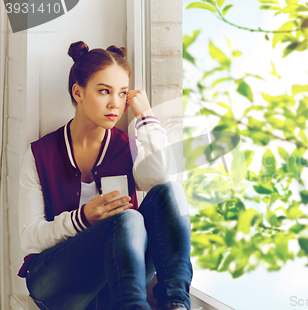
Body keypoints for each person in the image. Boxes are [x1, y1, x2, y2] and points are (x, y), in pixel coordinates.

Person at [16, 41, 193, 310]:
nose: (115, 103)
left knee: (170, 192)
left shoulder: (127, 147)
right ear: (78, 92)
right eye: (104, 91)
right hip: (56, 286)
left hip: (116, 284)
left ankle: (177, 304)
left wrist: (146, 116)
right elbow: (30, 237)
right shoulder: (41, 153)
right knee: (128, 217)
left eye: (123, 94)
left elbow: (164, 180)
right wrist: (83, 218)